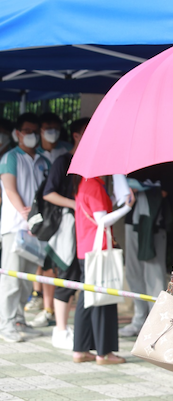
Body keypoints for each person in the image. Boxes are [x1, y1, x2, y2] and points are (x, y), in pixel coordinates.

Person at [72, 174, 135, 364]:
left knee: (86, 300)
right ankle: (104, 353)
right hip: (98, 248)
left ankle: (80, 350)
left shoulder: (84, 183)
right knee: (103, 300)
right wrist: (127, 208)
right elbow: (102, 220)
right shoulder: (94, 185)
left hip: (86, 248)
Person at [0, 112, 51, 343]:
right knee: (11, 279)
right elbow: (9, 188)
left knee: (27, 278)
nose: (31, 135)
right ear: (18, 133)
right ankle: (6, 323)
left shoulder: (43, 159)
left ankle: (19, 320)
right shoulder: (11, 157)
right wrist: (24, 212)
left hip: (36, 229)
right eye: (27, 131)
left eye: (34, 131)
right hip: (15, 228)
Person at [40, 117, 89, 349]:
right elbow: (49, 193)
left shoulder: (91, 163)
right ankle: (60, 330)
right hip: (68, 229)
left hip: (85, 230)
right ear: (76, 136)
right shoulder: (63, 161)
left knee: (79, 277)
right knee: (66, 277)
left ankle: (70, 329)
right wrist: (75, 204)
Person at [28, 112, 75, 328]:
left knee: (55, 263)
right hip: (46, 216)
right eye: (48, 127)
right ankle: (47, 307)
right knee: (46, 263)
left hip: (59, 218)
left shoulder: (64, 150)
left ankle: (52, 309)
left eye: (55, 127)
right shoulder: (37, 154)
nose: (51, 131)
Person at [118, 162, 173, 337]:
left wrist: (142, 189)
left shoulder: (167, 160)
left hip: (154, 223)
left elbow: (166, 190)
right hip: (132, 221)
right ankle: (139, 319)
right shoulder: (134, 157)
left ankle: (155, 324)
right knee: (133, 273)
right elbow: (122, 189)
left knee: (154, 275)